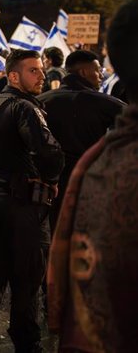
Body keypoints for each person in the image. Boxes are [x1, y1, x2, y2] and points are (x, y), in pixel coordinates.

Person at [47, 0, 138, 352]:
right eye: (97, 71)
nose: (101, 76)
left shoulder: (98, 168)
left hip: (57, 184)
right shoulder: (104, 108)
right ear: (88, 72)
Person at [0, 49, 64, 353]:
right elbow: (49, 154)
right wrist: (53, 178)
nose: (41, 75)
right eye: (33, 70)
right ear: (13, 76)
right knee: (26, 283)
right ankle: (27, 344)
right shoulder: (24, 108)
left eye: (41, 70)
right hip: (23, 210)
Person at [38, 50, 125, 233]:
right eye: (98, 70)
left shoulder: (40, 102)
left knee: (55, 232)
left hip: (50, 182)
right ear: (84, 72)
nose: (101, 75)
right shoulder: (104, 103)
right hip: (89, 180)